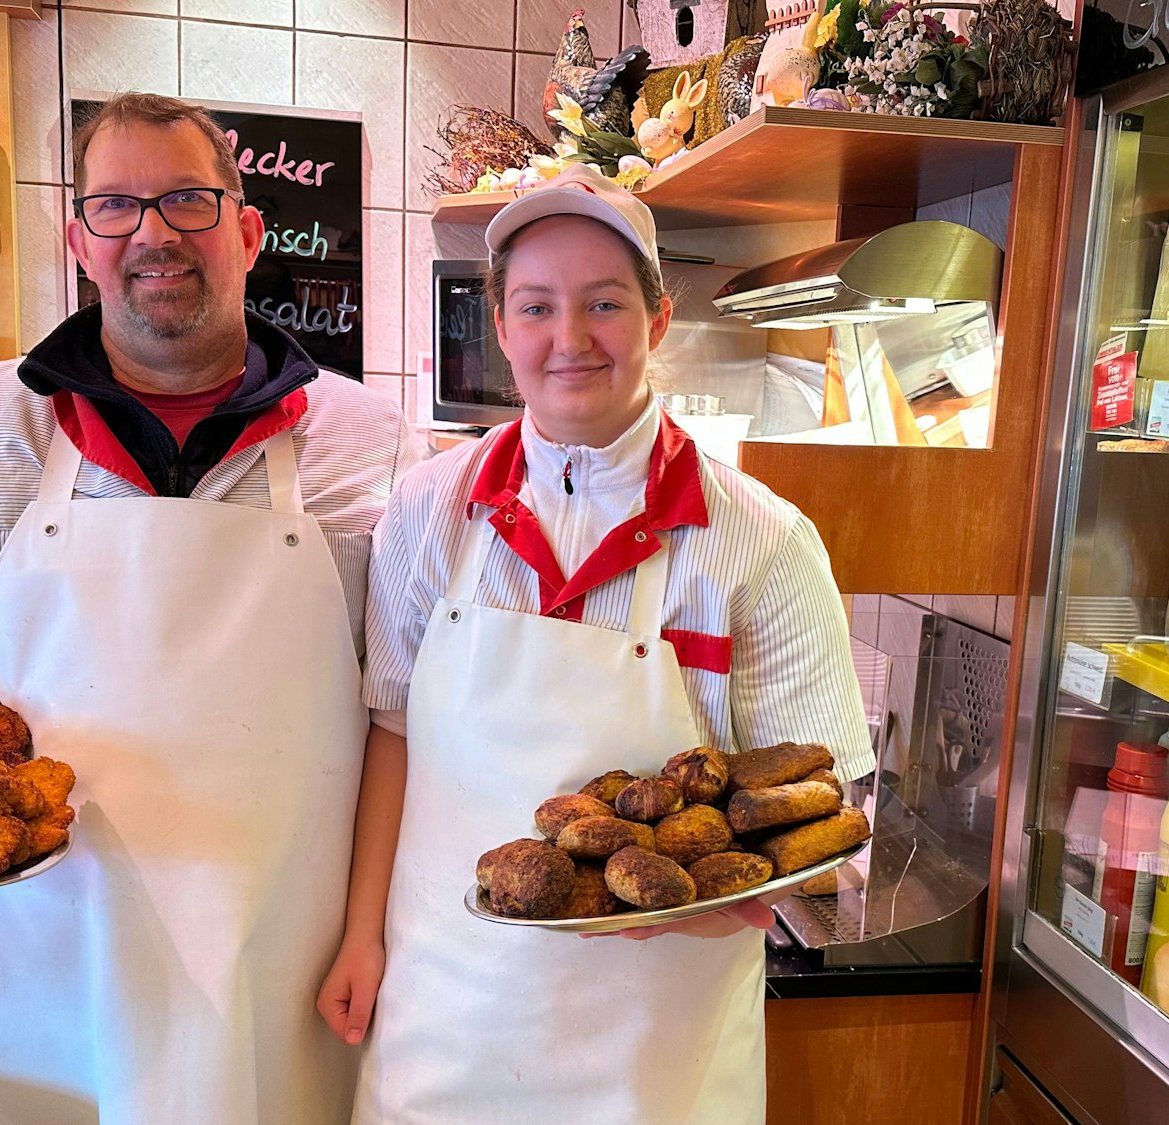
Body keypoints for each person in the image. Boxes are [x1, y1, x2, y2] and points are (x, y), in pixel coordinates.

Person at [0, 92, 412, 1125]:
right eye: (117, 207)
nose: (154, 235)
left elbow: (402, 719)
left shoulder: (375, 445)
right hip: (20, 975)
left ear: (247, 233)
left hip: (279, 974)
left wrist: (375, 930)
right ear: (78, 240)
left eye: (187, 201)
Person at [319, 164, 875, 1122]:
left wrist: (730, 899)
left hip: (658, 1038)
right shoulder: (427, 509)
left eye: (604, 303)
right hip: (450, 1011)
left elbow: (822, 814)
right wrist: (362, 934)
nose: (568, 339)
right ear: (499, 326)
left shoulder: (764, 542)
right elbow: (393, 737)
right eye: (535, 306)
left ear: (659, 320)